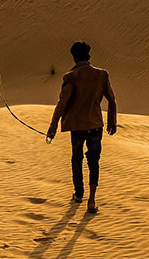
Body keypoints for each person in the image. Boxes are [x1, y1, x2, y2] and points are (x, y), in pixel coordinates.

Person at [45, 41, 116, 214]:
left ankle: (78, 194)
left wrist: (52, 127)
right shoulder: (102, 75)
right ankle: (91, 200)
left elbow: (62, 103)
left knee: (76, 159)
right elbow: (112, 100)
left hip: (77, 127)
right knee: (94, 161)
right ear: (89, 56)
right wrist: (112, 121)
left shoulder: (70, 77)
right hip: (95, 125)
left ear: (74, 57)